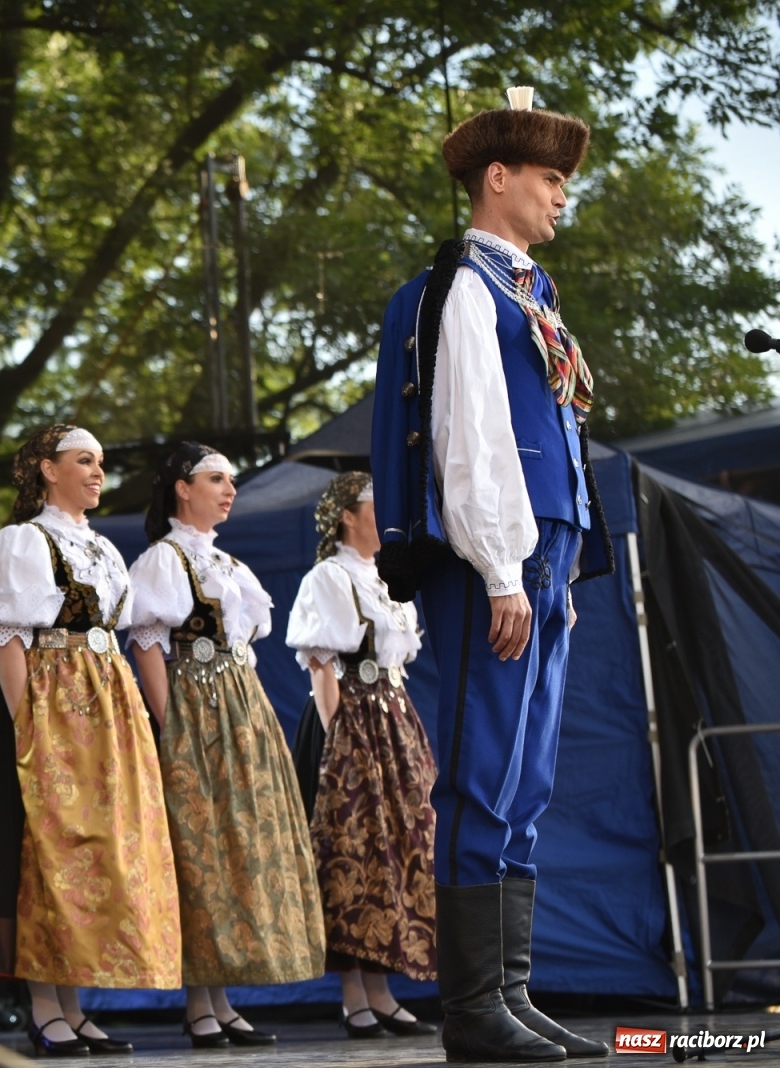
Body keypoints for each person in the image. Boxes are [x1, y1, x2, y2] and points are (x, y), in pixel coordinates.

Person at [370, 87, 612, 1062]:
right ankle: (472, 1011)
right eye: (549, 180)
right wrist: (505, 571)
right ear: (497, 178)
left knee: (527, 779)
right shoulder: (467, 288)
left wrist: (556, 578)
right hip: (493, 560)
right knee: (481, 774)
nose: (561, 198)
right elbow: (471, 441)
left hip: (540, 559)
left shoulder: (529, 293)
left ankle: (508, 992)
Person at [0, 423, 181, 1057]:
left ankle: (74, 1004)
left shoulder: (102, 549)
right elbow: (9, 643)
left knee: (99, 851)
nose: (97, 472)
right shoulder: (22, 543)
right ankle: (44, 1007)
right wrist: (27, 725)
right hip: (55, 707)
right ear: (46, 469)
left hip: (108, 705)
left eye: (101, 463)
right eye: (83, 461)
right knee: (52, 848)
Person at [126, 442, 324, 1048]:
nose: (229, 489)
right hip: (195, 708)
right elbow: (148, 645)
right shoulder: (164, 560)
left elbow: (246, 644)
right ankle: (198, 1003)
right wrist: (170, 725)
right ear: (182, 488)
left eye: (230, 480)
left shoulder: (230, 565)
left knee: (239, 842)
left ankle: (221, 997)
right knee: (200, 844)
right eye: (216, 478)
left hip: (241, 706)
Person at [286, 472, 438, 1040]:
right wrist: (336, 738)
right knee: (354, 849)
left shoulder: (384, 578)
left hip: (393, 715)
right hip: (350, 718)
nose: (386, 514)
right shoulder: (330, 577)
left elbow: (397, 659)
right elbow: (322, 663)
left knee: (400, 848)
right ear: (349, 515)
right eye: (377, 506)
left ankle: (382, 988)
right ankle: (356, 996)